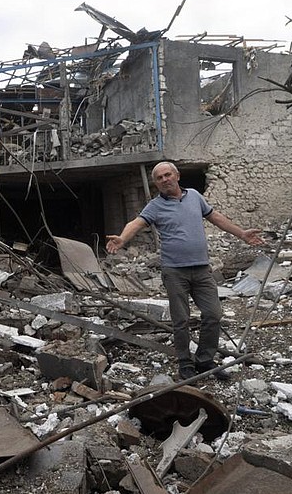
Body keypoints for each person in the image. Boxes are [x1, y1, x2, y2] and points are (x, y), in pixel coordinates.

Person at [106, 161, 264, 381]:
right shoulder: (155, 206)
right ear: (156, 183)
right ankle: (185, 362)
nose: (164, 180)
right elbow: (136, 223)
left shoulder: (195, 197)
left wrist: (242, 234)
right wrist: (123, 238)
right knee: (181, 320)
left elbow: (215, 217)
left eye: (167, 175)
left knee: (213, 314)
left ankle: (205, 360)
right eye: (159, 178)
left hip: (201, 269)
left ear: (177, 175)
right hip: (174, 272)